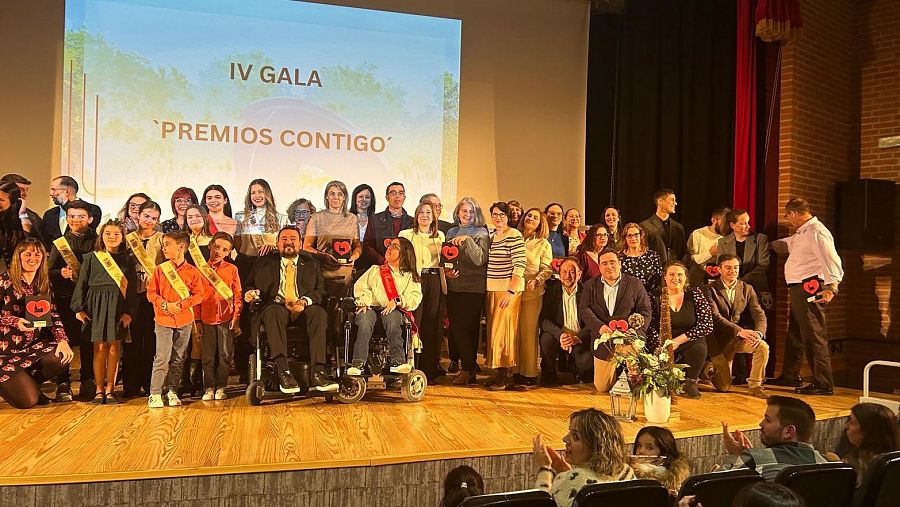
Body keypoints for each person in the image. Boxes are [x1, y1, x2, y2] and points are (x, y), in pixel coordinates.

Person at [245, 227, 338, 393]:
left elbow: (321, 291)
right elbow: (249, 285)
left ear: (300, 243)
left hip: (302, 307)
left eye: (293, 239)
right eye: (284, 239)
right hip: (275, 307)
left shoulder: (311, 264)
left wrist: (304, 301)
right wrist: (251, 293)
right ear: (277, 243)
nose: (289, 242)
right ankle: (283, 372)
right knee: (273, 312)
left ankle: (319, 372)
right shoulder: (263, 263)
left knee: (319, 313)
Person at [770, 198, 844, 395]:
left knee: (813, 334)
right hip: (798, 288)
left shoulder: (816, 232)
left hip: (810, 287)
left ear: (794, 213)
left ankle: (823, 383)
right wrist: (762, 243)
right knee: (795, 333)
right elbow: (786, 245)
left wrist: (831, 287)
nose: (788, 221)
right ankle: (790, 374)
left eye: (788, 216)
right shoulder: (803, 233)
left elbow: (832, 260)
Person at [0, 238, 74, 408]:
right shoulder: (4, 281)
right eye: (27, 254)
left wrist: (63, 340)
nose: (33, 258)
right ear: (18, 256)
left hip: (33, 346)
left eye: (37, 254)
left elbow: (53, 314)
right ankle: (17, 386)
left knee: (62, 356)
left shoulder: (43, 282)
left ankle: (27, 384)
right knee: (28, 402)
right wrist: (15, 321)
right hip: (6, 352)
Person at [71, 220, 137, 404]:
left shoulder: (127, 260)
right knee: (99, 347)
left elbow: (131, 289)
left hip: (118, 306)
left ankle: (111, 390)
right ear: (101, 236)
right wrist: (79, 308)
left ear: (122, 237)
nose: (112, 237)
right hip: (95, 306)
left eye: (116, 234)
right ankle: (99, 389)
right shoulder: (91, 257)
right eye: (108, 233)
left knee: (115, 347)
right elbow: (81, 284)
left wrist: (129, 312)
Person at [578, 248, 652, 392]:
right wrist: (600, 327)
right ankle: (616, 374)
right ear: (599, 266)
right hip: (604, 341)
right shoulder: (590, 285)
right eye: (604, 263)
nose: (609, 266)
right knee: (602, 387)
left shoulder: (635, 284)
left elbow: (645, 311)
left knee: (636, 385)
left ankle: (630, 377)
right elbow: (584, 310)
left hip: (630, 339)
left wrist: (635, 330)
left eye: (612, 262)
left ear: (620, 264)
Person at [146, 231, 206, 408]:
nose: (164, 248)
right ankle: (155, 393)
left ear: (181, 247)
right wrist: (164, 304)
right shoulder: (160, 269)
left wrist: (181, 305)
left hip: (184, 319)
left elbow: (199, 295)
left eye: (167, 244)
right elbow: (151, 293)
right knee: (162, 356)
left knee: (179, 357)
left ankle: (172, 390)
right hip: (163, 319)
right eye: (163, 244)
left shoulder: (193, 272)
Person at [347, 237, 422, 376]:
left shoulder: (410, 276)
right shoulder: (375, 270)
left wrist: (397, 300)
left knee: (393, 319)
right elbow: (362, 287)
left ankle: (397, 361)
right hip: (370, 308)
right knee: (364, 319)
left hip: (393, 310)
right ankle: (358, 362)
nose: (389, 248)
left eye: (395, 246)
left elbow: (415, 298)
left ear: (404, 253)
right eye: (390, 245)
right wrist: (364, 302)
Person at [46, 200, 97, 400]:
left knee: (88, 341)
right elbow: (49, 271)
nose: (76, 220)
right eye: (72, 216)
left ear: (90, 219)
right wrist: (62, 272)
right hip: (66, 298)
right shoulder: (60, 243)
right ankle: (63, 383)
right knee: (63, 339)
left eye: (81, 216)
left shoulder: (98, 240)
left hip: (90, 299)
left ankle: (87, 380)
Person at [533, 408, 635, 507]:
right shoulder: (626, 473)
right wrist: (566, 472)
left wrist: (544, 469)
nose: (565, 439)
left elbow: (541, 504)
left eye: (576, 436)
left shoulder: (575, 481)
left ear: (596, 447)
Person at [705, 254, 769, 398]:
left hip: (738, 339)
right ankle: (707, 368)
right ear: (719, 269)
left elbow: (759, 314)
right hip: (718, 340)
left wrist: (758, 333)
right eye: (728, 267)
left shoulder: (747, 288)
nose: (732, 271)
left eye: (736, 268)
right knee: (724, 386)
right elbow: (715, 317)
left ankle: (755, 385)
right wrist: (740, 331)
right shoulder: (709, 289)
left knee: (762, 346)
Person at [721, 395, 828, 480]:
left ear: (788, 432)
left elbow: (714, 492)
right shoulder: (827, 465)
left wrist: (734, 456)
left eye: (768, 420)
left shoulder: (753, 459)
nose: (761, 424)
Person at [647, 261, 713, 399]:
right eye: (671, 274)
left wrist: (678, 340)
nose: (675, 278)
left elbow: (706, 324)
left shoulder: (695, 294)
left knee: (699, 347)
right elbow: (650, 325)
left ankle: (690, 383)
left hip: (687, 339)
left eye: (679, 274)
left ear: (686, 277)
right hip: (663, 342)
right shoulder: (654, 297)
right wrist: (663, 344)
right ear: (665, 277)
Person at [445, 197, 490, 385]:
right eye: (464, 211)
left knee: (467, 329)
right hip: (454, 287)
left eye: (471, 211)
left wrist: (468, 241)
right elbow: (446, 257)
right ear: (458, 213)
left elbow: (480, 259)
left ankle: (468, 368)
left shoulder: (482, 233)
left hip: (474, 288)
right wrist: (448, 271)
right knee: (457, 329)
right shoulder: (450, 232)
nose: (468, 215)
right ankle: (469, 368)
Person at [122, 201, 164, 398]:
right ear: (138, 215)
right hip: (131, 294)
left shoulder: (162, 239)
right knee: (131, 339)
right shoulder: (127, 238)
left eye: (154, 218)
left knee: (151, 340)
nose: (150, 221)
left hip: (153, 294)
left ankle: (150, 384)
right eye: (146, 216)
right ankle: (130, 384)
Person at [399, 203, 444, 381]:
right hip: (414, 279)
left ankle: (429, 370)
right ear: (416, 215)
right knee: (414, 322)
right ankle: (411, 367)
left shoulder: (440, 236)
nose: (425, 215)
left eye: (428, 213)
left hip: (434, 280)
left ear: (434, 216)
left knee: (432, 324)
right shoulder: (406, 235)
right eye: (421, 213)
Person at [484, 202, 527, 391]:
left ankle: (507, 374)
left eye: (502, 214)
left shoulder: (514, 235)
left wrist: (510, 292)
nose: (498, 217)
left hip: (508, 290)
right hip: (492, 289)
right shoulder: (492, 236)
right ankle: (499, 373)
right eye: (495, 214)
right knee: (494, 332)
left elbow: (519, 266)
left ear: (508, 216)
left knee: (505, 332)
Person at [198, 232, 242, 401]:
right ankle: (208, 386)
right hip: (206, 318)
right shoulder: (201, 270)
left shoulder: (232, 269)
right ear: (210, 246)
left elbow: (237, 295)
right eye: (216, 247)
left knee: (224, 354)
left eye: (224, 249)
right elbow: (195, 297)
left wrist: (236, 317)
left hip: (226, 318)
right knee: (208, 356)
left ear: (229, 252)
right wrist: (197, 320)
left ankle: (221, 386)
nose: (219, 251)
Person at [538, 257, 593, 386]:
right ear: (559, 273)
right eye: (564, 272)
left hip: (579, 337)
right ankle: (549, 371)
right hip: (559, 336)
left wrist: (577, 338)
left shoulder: (588, 292)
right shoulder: (551, 291)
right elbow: (544, 320)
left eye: (572, 272)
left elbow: (592, 322)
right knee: (546, 338)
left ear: (579, 274)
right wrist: (561, 335)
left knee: (586, 364)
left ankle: (576, 368)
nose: (567, 276)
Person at [514, 207, 552, 386]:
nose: (530, 218)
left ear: (540, 223)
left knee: (528, 332)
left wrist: (537, 280)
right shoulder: (514, 236)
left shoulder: (543, 243)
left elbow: (547, 268)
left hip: (531, 292)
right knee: (513, 332)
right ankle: (513, 369)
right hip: (512, 291)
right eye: (529, 215)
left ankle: (528, 373)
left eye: (535, 217)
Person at [302, 180, 362, 291]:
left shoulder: (352, 218)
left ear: (344, 197)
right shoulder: (316, 217)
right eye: (332, 194)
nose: (336, 197)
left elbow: (357, 246)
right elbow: (306, 247)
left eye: (340, 194)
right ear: (326, 197)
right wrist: (323, 256)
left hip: (346, 271)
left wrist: (355, 256)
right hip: (323, 270)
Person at [840, 403, 900, 487]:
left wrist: (837, 465)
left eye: (852, 423)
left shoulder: (855, 467)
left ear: (868, 431)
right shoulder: (894, 461)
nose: (846, 426)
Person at [360, 182, 413, 272]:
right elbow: (368, 246)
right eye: (393, 193)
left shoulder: (413, 222)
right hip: (380, 268)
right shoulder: (375, 219)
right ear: (386, 197)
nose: (397, 196)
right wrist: (383, 261)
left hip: (406, 270)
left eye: (401, 193)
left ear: (404, 197)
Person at [234, 178, 287, 264]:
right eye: (253, 193)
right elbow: (237, 243)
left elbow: (284, 244)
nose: (257, 196)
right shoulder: (241, 216)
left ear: (267, 194)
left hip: (270, 264)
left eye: (260, 192)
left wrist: (273, 248)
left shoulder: (282, 218)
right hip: (245, 263)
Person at [717, 208, 771, 293]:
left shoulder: (760, 239)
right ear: (732, 225)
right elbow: (721, 266)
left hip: (756, 288)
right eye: (743, 223)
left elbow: (763, 265)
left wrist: (742, 282)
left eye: (748, 222)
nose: (748, 226)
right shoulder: (722, 242)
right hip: (731, 290)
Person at [40, 175, 102, 243]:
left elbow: (84, 232)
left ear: (67, 191)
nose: (51, 194)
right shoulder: (49, 214)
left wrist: (67, 204)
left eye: (54, 189)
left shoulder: (92, 210)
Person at [631, 426, 692, 494]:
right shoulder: (627, 473)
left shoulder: (673, 480)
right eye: (639, 445)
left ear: (663, 454)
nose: (641, 451)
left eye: (649, 448)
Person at [640, 189, 686, 264]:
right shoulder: (645, 226)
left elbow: (684, 252)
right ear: (660, 201)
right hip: (654, 271)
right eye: (672, 200)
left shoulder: (678, 227)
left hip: (674, 271)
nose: (675, 203)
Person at [686, 206, 730, 286]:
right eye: (724, 223)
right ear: (714, 220)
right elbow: (690, 259)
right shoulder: (698, 234)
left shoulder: (728, 237)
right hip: (699, 279)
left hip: (721, 281)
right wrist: (709, 253)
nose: (726, 226)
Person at [619, 222, 663, 299]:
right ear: (625, 238)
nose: (633, 238)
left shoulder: (652, 256)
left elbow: (658, 280)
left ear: (641, 236)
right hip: (627, 299)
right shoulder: (619, 258)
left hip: (649, 298)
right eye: (629, 236)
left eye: (636, 235)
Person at [0, 181, 34, 271]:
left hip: (15, 272)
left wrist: (22, 214)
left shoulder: (24, 220)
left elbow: (30, 242)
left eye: (1, 200)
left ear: (13, 202)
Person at [1, 173, 44, 242]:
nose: (25, 194)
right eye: (21, 190)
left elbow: (38, 242)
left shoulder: (32, 217)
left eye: (26, 190)